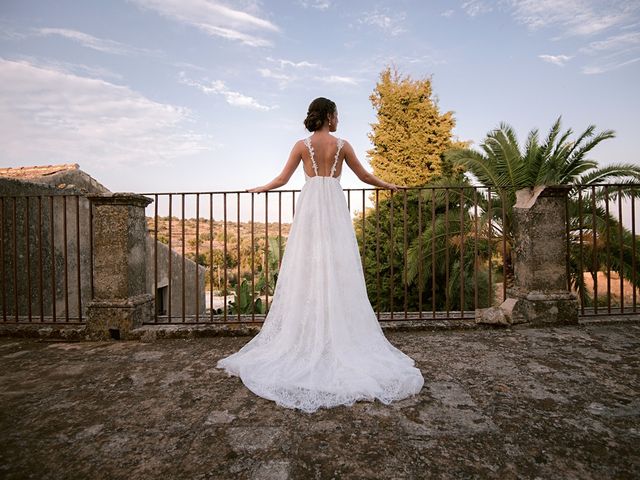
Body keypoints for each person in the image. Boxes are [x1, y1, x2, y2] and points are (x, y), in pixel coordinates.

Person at [216, 97, 424, 413]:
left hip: (312, 206)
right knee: (337, 263)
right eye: (337, 114)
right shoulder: (343, 145)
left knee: (308, 264)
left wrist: (260, 189)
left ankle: (310, 334)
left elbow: (282, 179)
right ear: (329, 116)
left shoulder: (302, 145)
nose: (339, 119)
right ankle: (333, 333)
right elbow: (366, 177)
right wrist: (390, 186)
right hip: (335, 206)